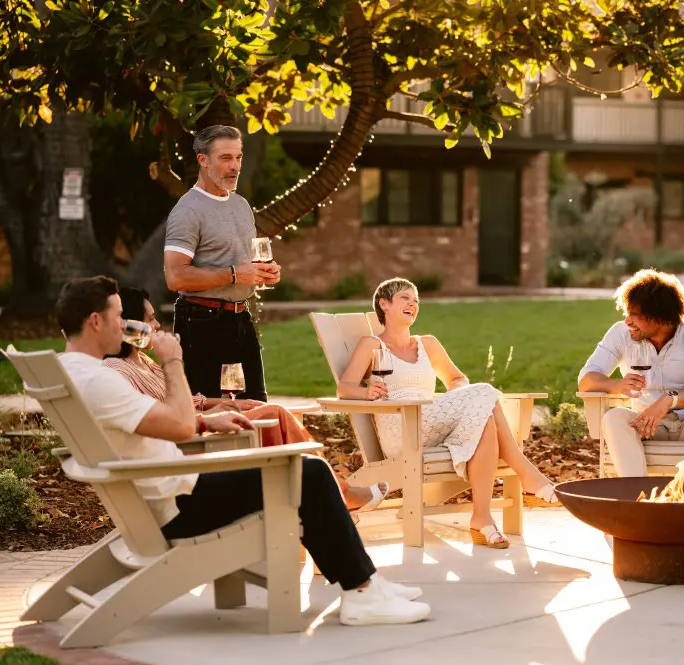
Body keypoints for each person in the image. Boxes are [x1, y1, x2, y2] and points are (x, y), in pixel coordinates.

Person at [55, 276, 430, 625]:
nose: (126, 326)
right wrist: (172, 359)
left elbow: (163, 424)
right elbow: (179, 425)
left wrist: (207, 421)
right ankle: (362, 591)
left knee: (300, 472)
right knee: (308, 474)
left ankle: (368, 583)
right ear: (95, 321)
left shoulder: (74, 372)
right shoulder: (103, 379)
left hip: (159, 495)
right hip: (178, 504)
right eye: (120, 316)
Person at [103, 286, 388, 513]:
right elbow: (163, 420)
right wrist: (175, 366)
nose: (156, 325)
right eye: (150, 319)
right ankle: (336, 493)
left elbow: (187, 401)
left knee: (267, 411)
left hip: (197, 432)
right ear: (129, 326)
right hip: (189, 452)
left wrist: (227, 404)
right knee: (273, 413)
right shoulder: (117, 371)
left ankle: (328, 492)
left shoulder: (143, 362)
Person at [337, 278, 560, 550]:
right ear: (384, 304)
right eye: (405, 298)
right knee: (485, 394)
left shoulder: (427, 344)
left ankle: (482, 517)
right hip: (401, 427)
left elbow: (456, 379)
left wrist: (460, 401)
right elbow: (344, 387)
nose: (413, 304)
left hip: (431, 419)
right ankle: (526, 475)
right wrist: (366, 391)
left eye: (416, 299)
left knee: (484, 417)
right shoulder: (371, 345)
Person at [164, 125, 279, 402]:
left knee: (256, 405)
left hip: (241, 318)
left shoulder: (240, 205)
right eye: (225, 158)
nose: (235, 166)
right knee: (210, 408)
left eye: (238, 157)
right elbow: (175, 278)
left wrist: (264, 272)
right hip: (202, 322)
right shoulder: (188, 210)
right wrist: (234, 275)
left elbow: (243, 265)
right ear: (203, 160)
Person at [578, 270, 684, 478]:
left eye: (635, 315)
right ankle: (637, 496)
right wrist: (615, 385)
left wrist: (670, 400)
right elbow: (586, 379)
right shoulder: (621, 334)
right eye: (627, 313)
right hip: (646, 427)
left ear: (661, 316)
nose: (628, 321)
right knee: (615, 417)